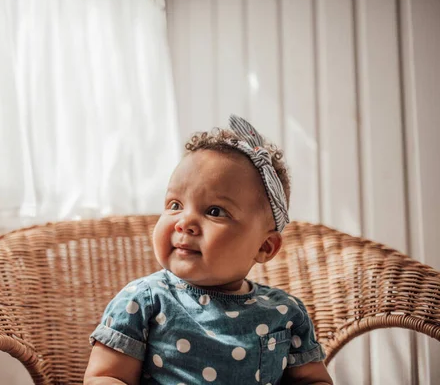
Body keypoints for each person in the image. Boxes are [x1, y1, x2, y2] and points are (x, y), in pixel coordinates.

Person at [84, 116, 333, 384]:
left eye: (214, 211)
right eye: (175, 204)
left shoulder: (285, 312)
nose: (185, 223)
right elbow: (106, 376)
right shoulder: (144, 301)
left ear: (264, 246)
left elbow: (313, 379)